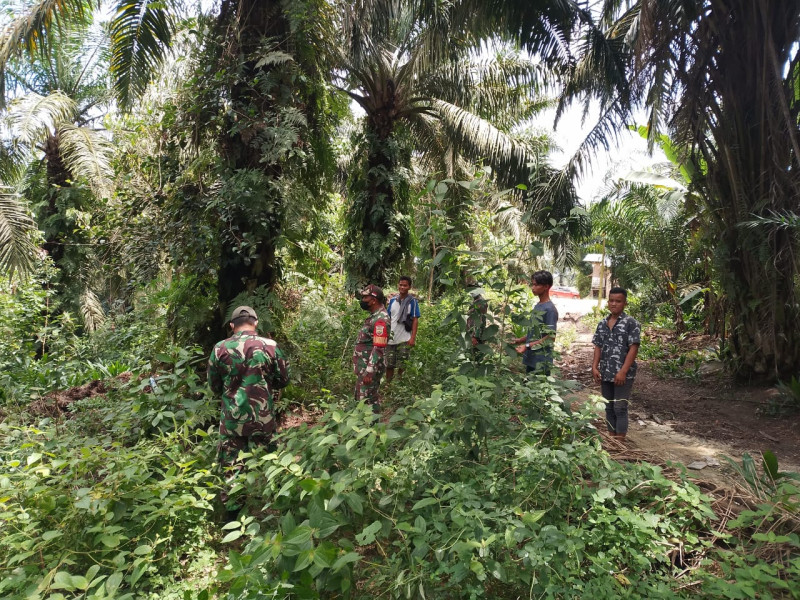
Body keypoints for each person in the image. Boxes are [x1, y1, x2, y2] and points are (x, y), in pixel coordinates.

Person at [208, 306, 290, 467]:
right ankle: (269, 491)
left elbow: (214, 386)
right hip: (263, 417)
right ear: (256, 323)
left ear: (232, 325)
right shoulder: (271, 346)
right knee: (271, 466)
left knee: (231, 469)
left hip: (232, 418)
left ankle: (234, 491)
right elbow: (283, 380)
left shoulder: (220, 348)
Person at [591, 287, 641, 441]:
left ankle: (620, 442)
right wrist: (594, 367)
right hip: (605, 372)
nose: (614, 304)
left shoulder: (631, 323)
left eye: (618, 301)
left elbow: (633, 348)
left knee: (620, 407)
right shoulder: (602, 324)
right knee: (609, 406)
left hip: (622, 374)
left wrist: (623, 371)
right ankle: (611, 439)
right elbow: (598, 346)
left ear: (625, 303)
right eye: (611, 301)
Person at [353, 285, 390, 411]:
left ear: (374, 300)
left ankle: (372, 428)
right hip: (365, 366)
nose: (362, 300)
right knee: (364, 398)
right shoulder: (374, 316)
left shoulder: (381, 319)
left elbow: (379, 348)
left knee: (367, 400)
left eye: (365, 297)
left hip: (369, 368)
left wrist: (369, 371)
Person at [514, 270, 558, 374]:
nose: (533, 288)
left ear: (546, 287)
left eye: (536, 285)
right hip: (532, 360)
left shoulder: (550, 310)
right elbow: (536, 332)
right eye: (532, 284)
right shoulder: (538, 306)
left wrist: (527, 346)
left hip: (541, 362)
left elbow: (550, 338)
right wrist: (520, 340)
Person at [385, 275, 420, 383]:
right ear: (398, 286)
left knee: (402, 364)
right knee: (389, 365)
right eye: (401, 285)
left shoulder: (412, 302)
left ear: (409, 287)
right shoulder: (392, 301)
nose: (402, 287)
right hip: (391, 338)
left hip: (405, 338)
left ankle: (399, 384)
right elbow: (388, 318)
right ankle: (388, 385)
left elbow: (415, 320)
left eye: (405, 285)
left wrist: (413, 338)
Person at [466, 285, 488, 357]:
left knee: (476, 355)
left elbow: (479, 320)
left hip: (476, 335)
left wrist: (474, 336)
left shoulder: (480, 302)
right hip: (474, 334)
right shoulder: (477, 301)